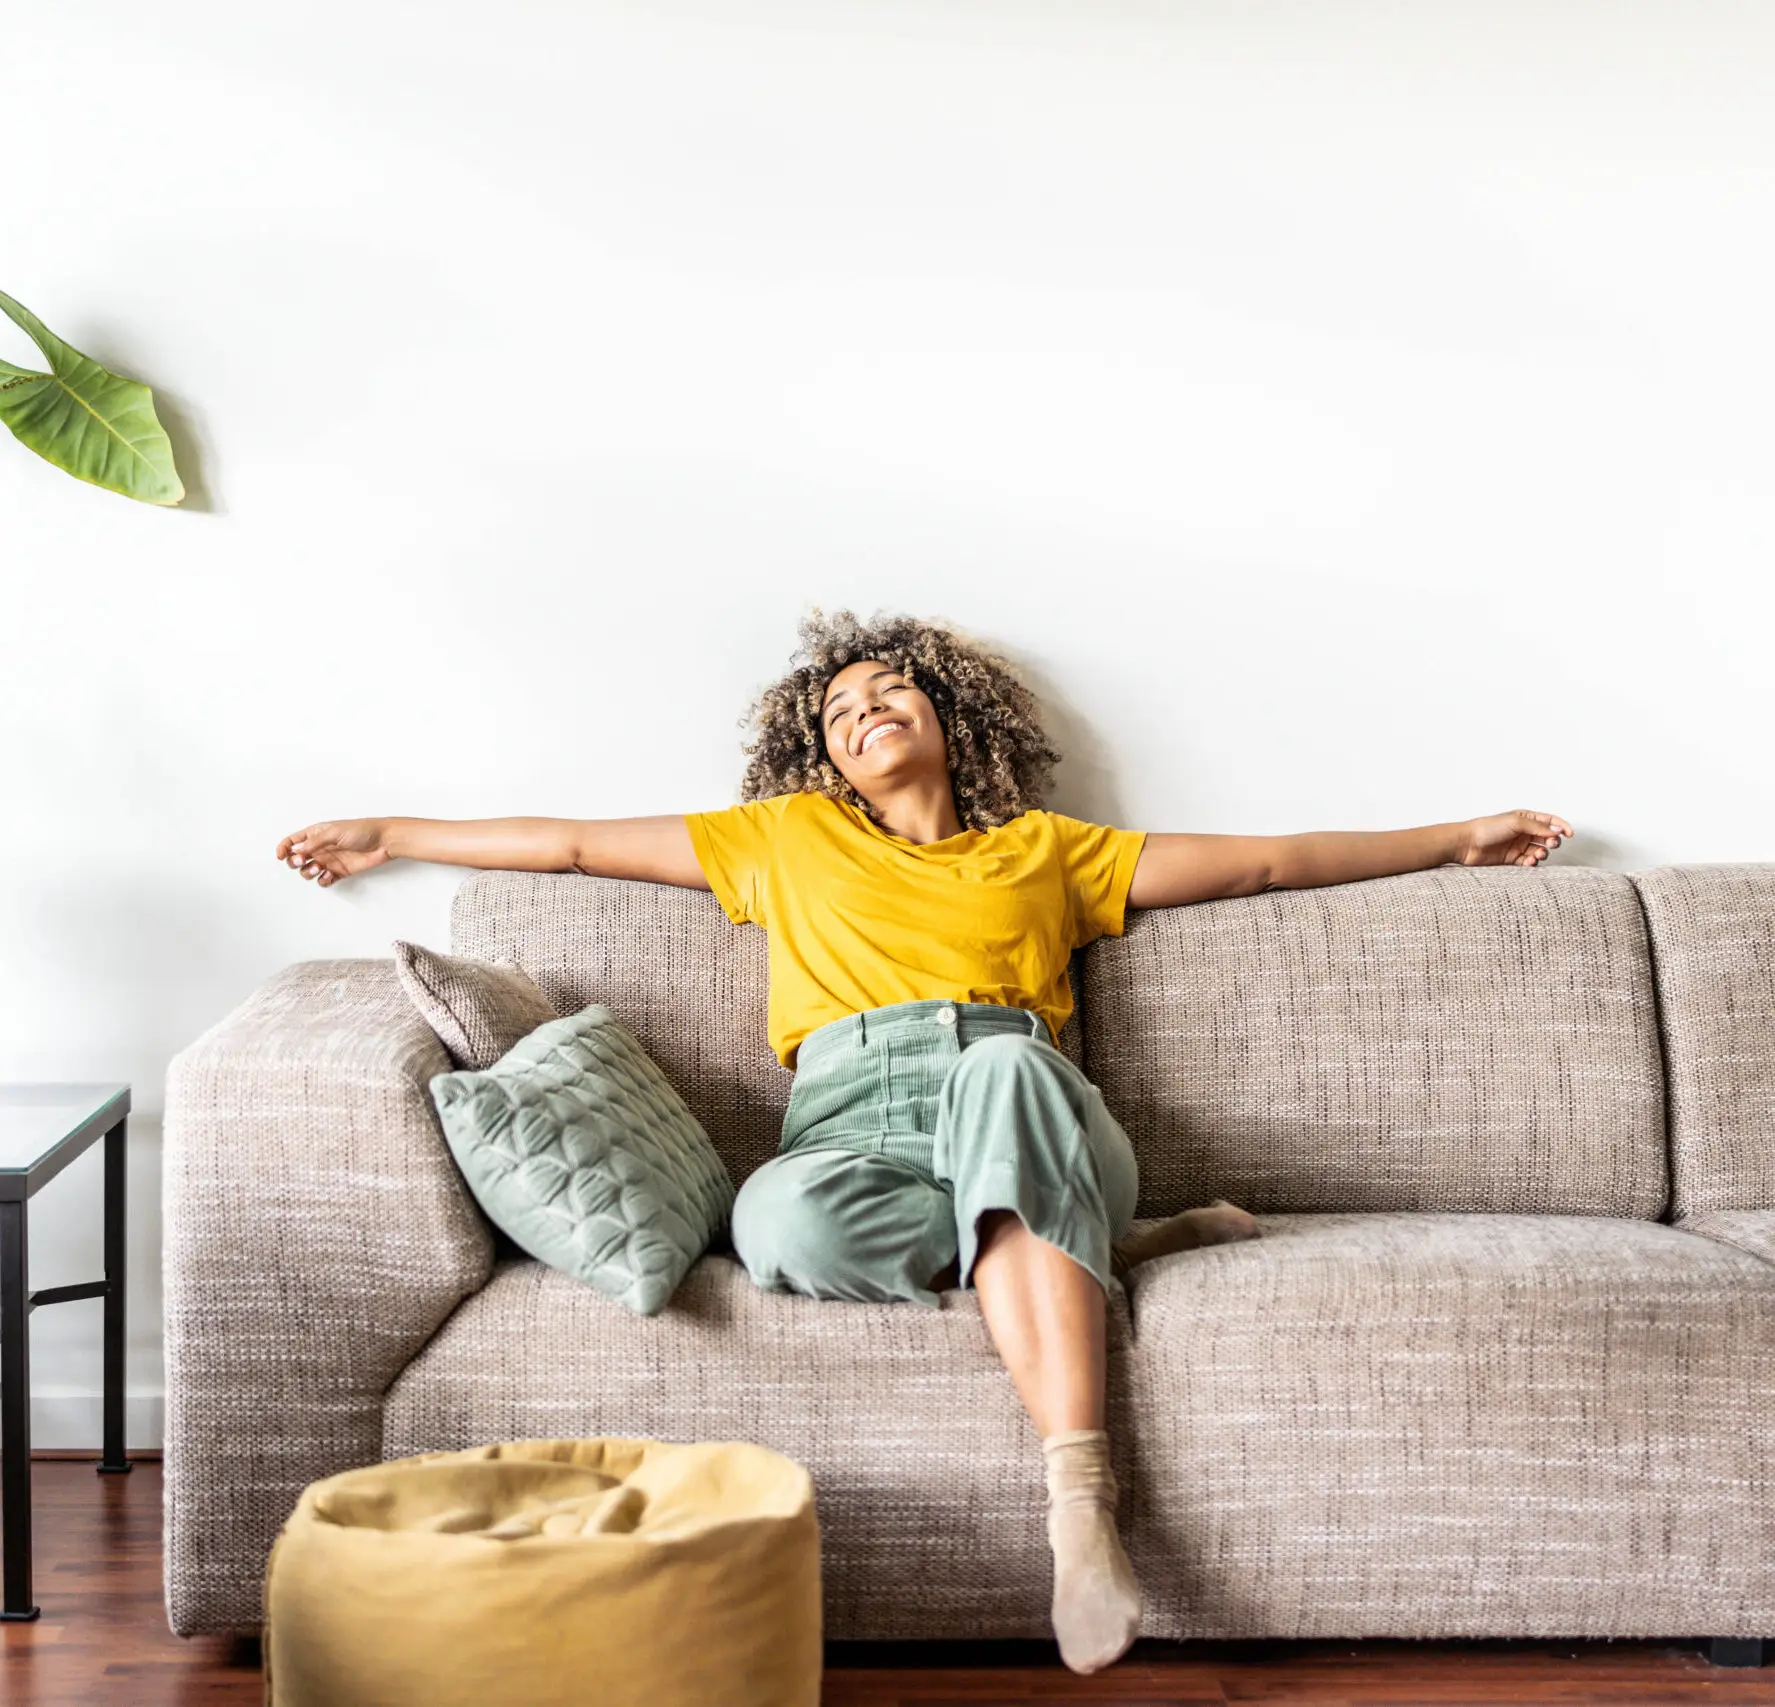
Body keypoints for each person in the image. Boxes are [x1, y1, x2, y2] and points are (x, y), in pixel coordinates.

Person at [273, 608, 1574, 1675]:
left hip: (1010, 1080)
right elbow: (562, 843)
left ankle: (1077, 1503)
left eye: (890, 689)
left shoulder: (1045, 852)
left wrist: (1455, 837)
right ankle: (1100, 1240)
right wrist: (392, 831)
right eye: (840, 710)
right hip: (850, 1114)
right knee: (775, 1224)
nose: (865, 708)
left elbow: (1266, 865)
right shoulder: (784, 842)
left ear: (949, 718)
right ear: (823, 759)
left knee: (1009, 1061)